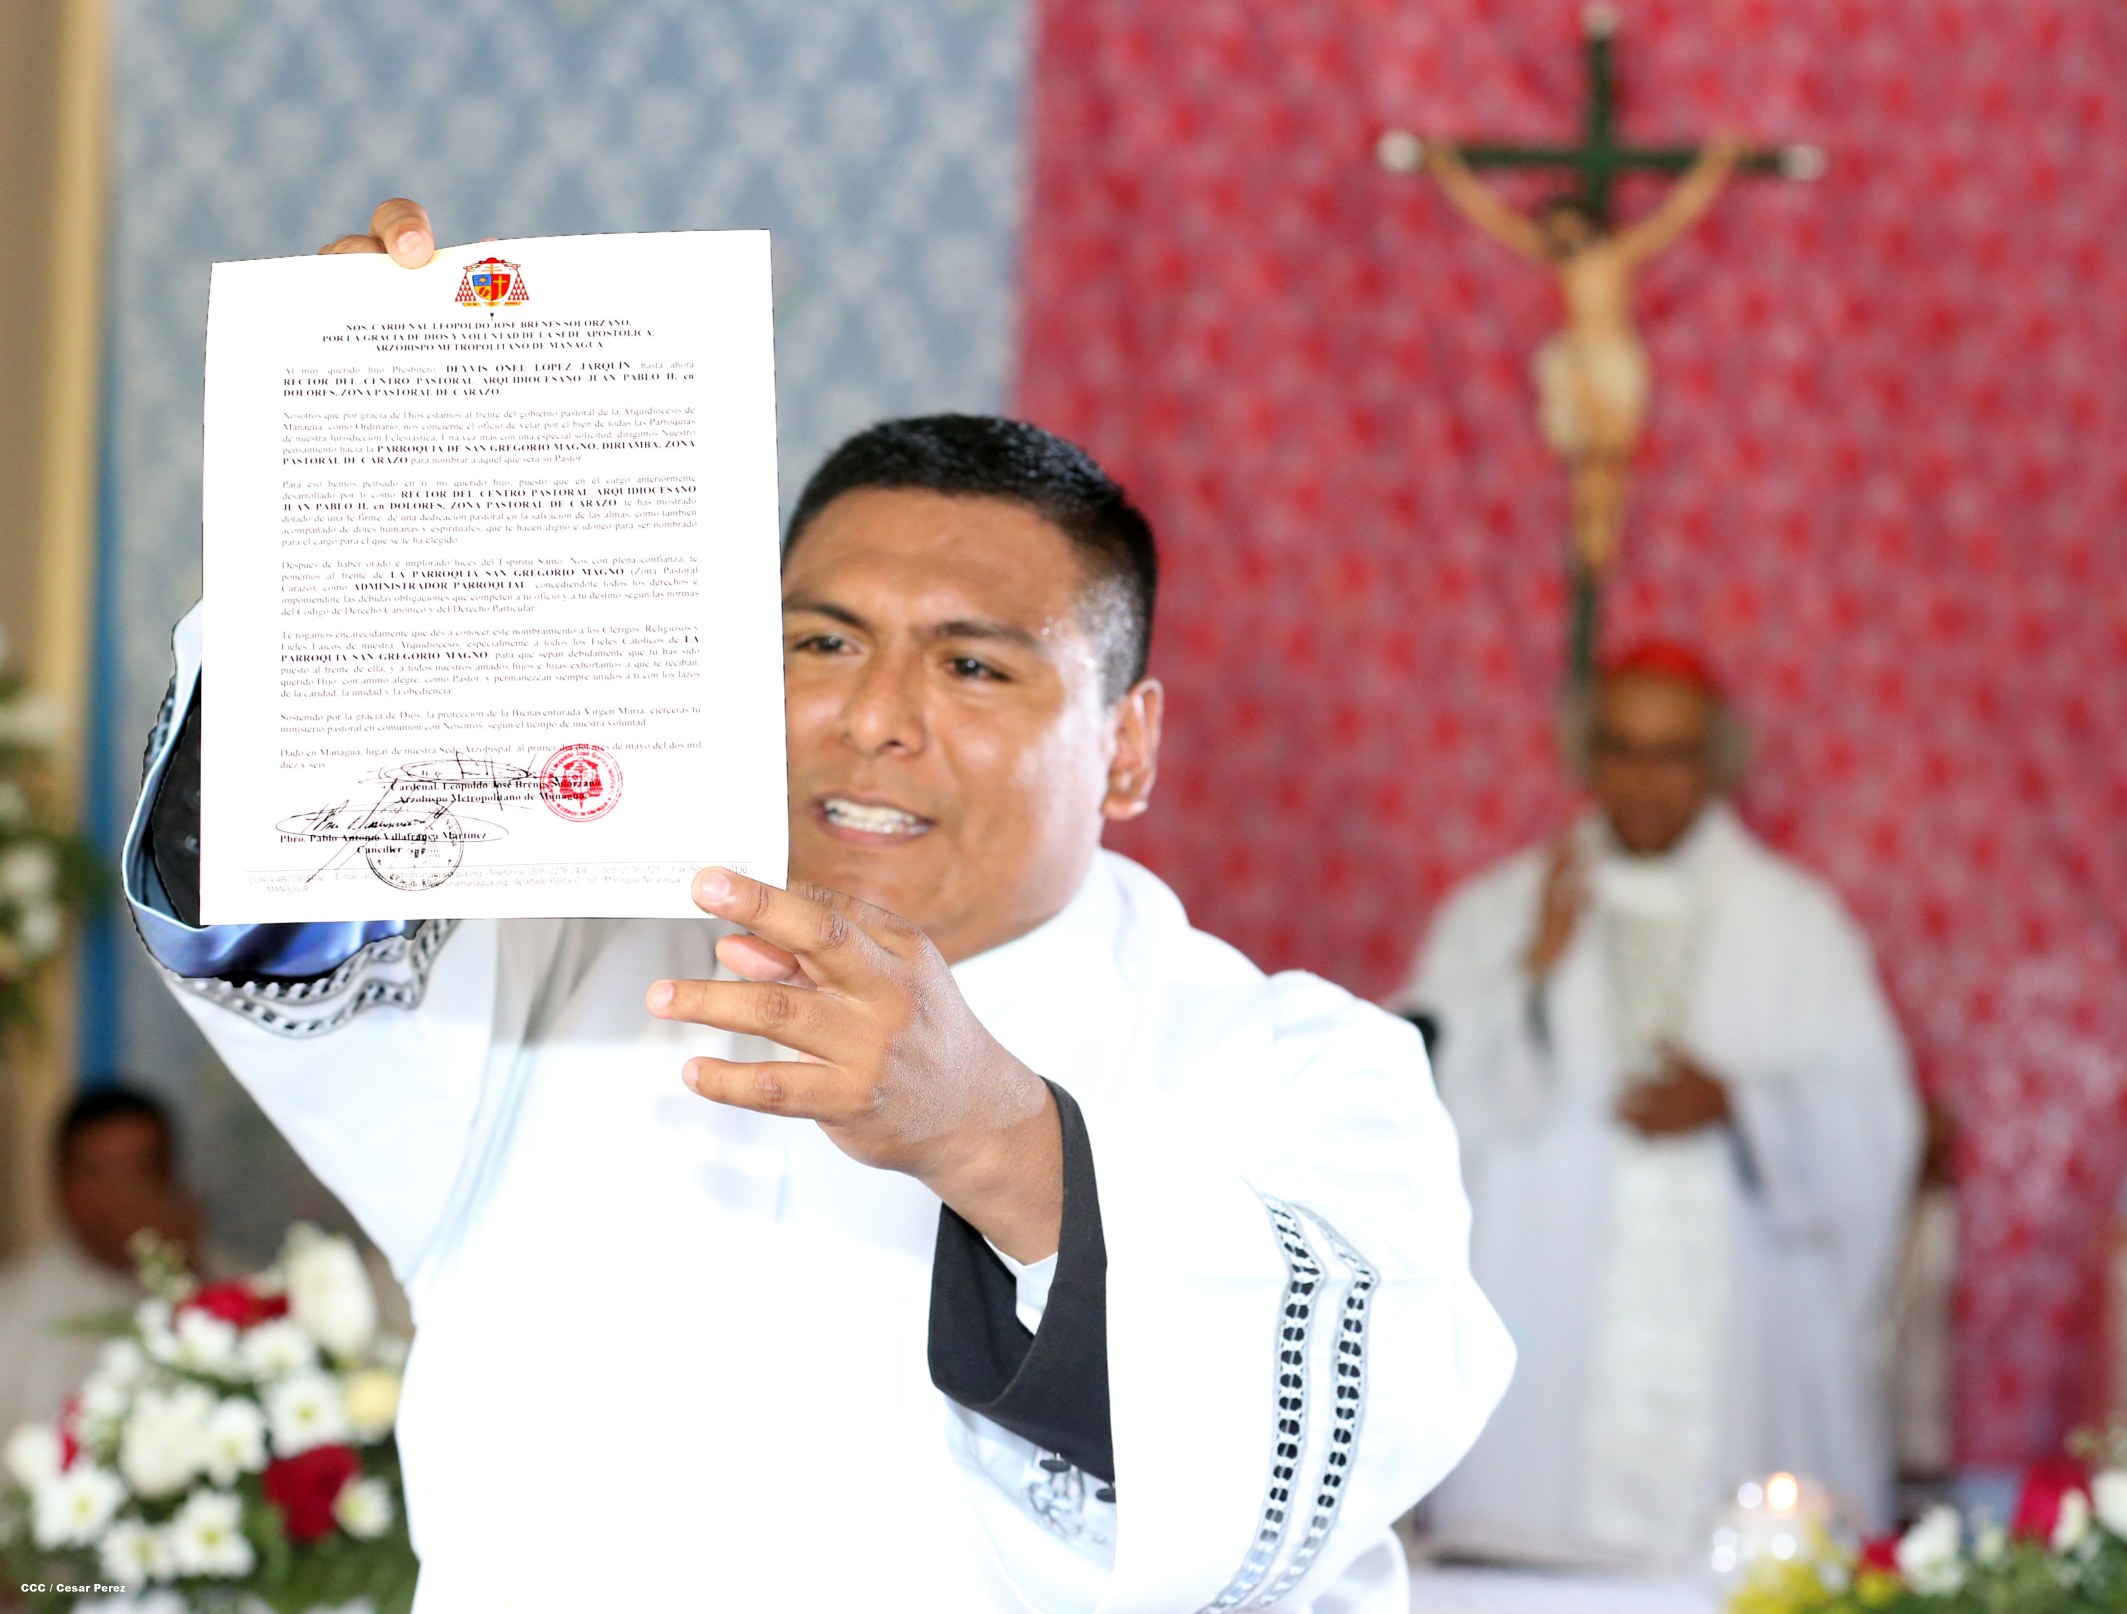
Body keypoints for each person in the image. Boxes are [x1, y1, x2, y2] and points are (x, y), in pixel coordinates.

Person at [122, 200, 1512, 1613]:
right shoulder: (542, 966)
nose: (873, 718)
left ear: (1129, 744)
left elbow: (1346, 1434)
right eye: (822, 643)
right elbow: (265, 907)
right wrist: (337, 537)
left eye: (973, 668)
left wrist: (990, 1134)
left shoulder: (1302, 1068)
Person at [1395, 641, 1919, 1569]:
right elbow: (1410, 1102)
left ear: (1715, 765)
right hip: (1547, 1348)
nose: (1644, 779)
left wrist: (1739, 1105)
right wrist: (1529, 979)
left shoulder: (1796, 924)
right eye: (1622, 749)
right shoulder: (1500, 912)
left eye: (1672, 753)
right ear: (1586, 758)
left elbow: (1875, 1127)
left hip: (1738, 1341)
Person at [1423, 136, 1743, 574]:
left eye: (1568, 226)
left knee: (1610, 457)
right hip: (1577, 358)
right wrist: (1448, 169)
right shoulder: (1561, 261)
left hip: (1612, 356)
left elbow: (1676, 215)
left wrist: (1715, 164)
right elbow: (1494, 218)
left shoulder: (1616, 255)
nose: (1562, 236)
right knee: (1585, 460)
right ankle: (1586, 538)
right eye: (1556, 230)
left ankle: (1603, 536)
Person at [0, 1088, 200, 1437]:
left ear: (171, 1177)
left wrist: (186, 1271)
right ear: (61, 1184)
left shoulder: (226, 1282)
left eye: (139, 1171)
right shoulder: (11, 1307)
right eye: (99, 1174)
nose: (123, 1194)